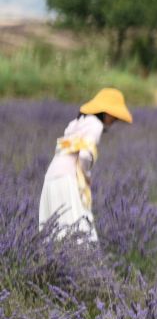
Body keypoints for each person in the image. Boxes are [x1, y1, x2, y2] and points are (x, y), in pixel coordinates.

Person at [38, 88, 133, 242]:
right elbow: (85, 154)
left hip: (52, 177)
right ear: (106, 113)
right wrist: (87, 176)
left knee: (56, 233)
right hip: (67, 179)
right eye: (114, 117)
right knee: (78, 231)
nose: (114, 121)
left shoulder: (76, 123)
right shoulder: (95, 125)